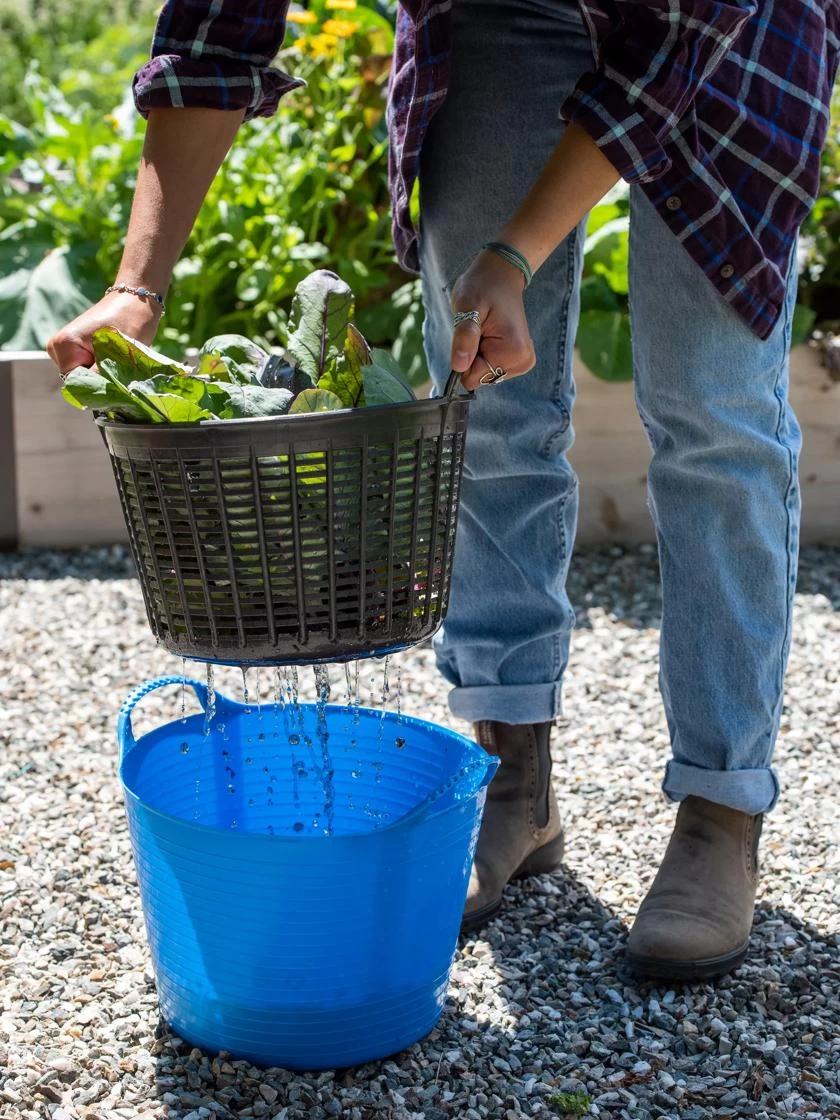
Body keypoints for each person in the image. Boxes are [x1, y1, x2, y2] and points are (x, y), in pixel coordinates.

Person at [48, 0, 838, 981]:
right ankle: (515, 772)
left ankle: (722, 808)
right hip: (506, 14)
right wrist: (141, 287)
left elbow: (671, 55)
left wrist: (517, 251)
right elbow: (217, 28)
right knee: (481, 393)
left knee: (710, 404)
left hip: (721, 36)